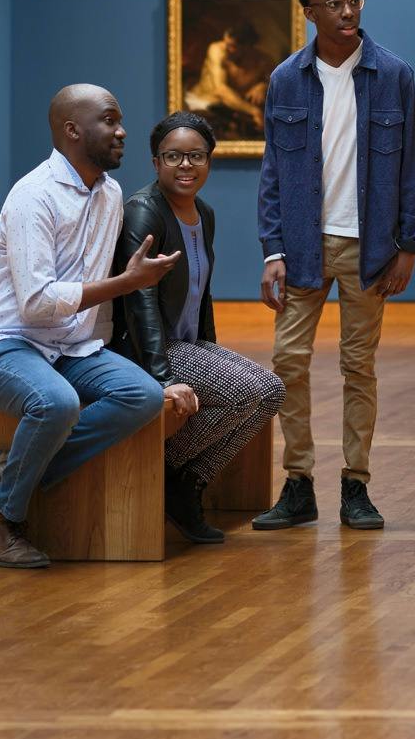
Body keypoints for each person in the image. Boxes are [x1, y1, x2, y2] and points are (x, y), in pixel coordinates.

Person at [0, 85, 190, 570]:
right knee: (55, 402)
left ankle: (1, 473)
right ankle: (4, 523)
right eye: (109, 120)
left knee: (142, 397)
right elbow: (38, 303)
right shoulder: (32, 196)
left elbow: (84, 303)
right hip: (1, 346)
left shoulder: (109, 193)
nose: (122, 130)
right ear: (72, 130)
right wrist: (126, 283)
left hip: (72, 348)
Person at [254, 0, 415, 533]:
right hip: (302, 246)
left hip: (370, 247)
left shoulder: (394, 75)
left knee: (359, 366)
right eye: (335, 3)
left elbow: (411, 168)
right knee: (287, 363)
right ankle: (298, 482)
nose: (349, 11)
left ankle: (356, 484)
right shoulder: (286, 79)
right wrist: (272, 251)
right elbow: (274, 174)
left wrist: (410, 245)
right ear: (310, 12)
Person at [111, 111, 286, 544]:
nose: (185, 165)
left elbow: (199, 292)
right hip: (145, 349)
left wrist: (211, 351)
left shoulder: (203, 214)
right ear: (155, 163)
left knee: (270, 391)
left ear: (210, 161)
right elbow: (140, 301)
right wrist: (162, 377)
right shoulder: (142, 213)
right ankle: (173, 473)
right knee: (256, 389)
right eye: (173, 157)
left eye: (195, 156)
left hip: (187, 345)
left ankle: (184, 478)